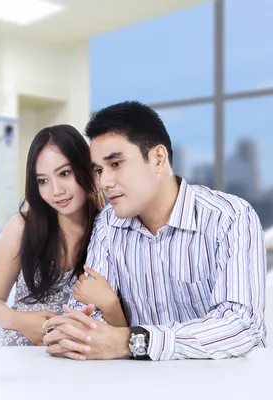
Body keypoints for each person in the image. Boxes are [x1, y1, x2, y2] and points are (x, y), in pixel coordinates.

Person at [44, 100, 267, 361]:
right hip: (143, 382)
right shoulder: (108, 224)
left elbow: (240, 326)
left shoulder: (230, 217)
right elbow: (86, 313)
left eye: (116, 164)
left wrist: (133, 341)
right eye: (99, 170)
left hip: (228, 381)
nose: (104, 182)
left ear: (158, 158)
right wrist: (71, 332)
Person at [0, 124, 128, 346]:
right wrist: (20, 320)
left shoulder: (110, 231)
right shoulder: (21, 228)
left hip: (78, 361)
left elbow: (122, 333)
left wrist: (110, 305)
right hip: (15, 356)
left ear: (86, 169)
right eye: (43, 180)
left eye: (64, 173)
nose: (56, 191)